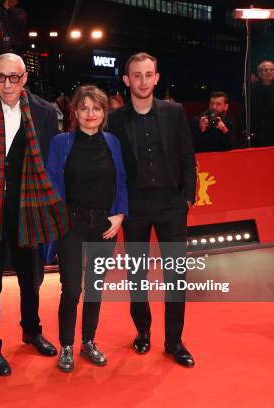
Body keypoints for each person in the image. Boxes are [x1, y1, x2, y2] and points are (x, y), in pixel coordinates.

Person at [0, 52, 70, 376]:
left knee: (30, 276)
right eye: (0, 77)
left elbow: (52, 162)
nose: (6, 84)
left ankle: (31, 330)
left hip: (28, 207)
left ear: (24, 79)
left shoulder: (44, 111)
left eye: (13, 77)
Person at [107, 52, 197, 368]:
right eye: (137, 75)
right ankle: (142, 331)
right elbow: (113, 166)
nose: (143, 81)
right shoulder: (114, 120)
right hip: (135, 207)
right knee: (137, 275)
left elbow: (188, 156)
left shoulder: (174, 112)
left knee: (176, 276)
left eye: (149, 74)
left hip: (172, 205)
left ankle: (174, 341)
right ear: (126, 79)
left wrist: (187, 197)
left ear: (157, 77)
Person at [46, 85, 128, 372]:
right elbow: (52, 184)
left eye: (96, 108)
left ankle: (88, 341)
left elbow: (121, 181)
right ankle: (66, 345)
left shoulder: (113, 142)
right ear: (75, 112)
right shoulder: (61, 143)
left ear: (104, 112)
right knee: (71, 289)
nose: (90, 114)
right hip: (72, 224)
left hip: (105, 224)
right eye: (84, 108)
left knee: (95, 288)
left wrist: (120, 214)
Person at [250, 60, 274, 147]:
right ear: (259, 73)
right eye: (265, 70)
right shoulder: (251, 90)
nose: (269, 72)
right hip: (255, 135)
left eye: (271, 70)